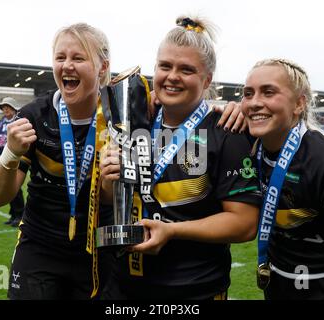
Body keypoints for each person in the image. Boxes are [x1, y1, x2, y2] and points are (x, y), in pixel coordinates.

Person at [100, 15, 261, 300]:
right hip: (124, 286)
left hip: (193, 290)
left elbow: (245, 222)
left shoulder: (227, 131)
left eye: (186, 69)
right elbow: (118, 200)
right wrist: (107, 183)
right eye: (165, 66)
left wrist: (172, 231)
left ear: (207, 79)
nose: (172, 76)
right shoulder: (138, 121)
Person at [0, 23, 116, 299]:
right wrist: (11, 152)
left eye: (78, 58)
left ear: (103, 67)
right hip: (40, 248)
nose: (67, 65)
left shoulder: (120, 116)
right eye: (60, 57)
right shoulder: (34, 115)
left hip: (100, 250)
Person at [240, 58, 324, 299]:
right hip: (276, 285)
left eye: (268, 92)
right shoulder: (246, 142)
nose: (254, 103)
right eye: (247, 93)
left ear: (298, 104)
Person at [0, 97, 24, 227]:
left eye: (8, 107)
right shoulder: (1, 122)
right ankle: (13, 214)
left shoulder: (18, 121)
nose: (5, 109)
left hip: (15, 159)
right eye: (3, 107)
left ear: (14, 108)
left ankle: (20, 215)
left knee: (16, 189)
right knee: (5, 186)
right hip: (1, 159)